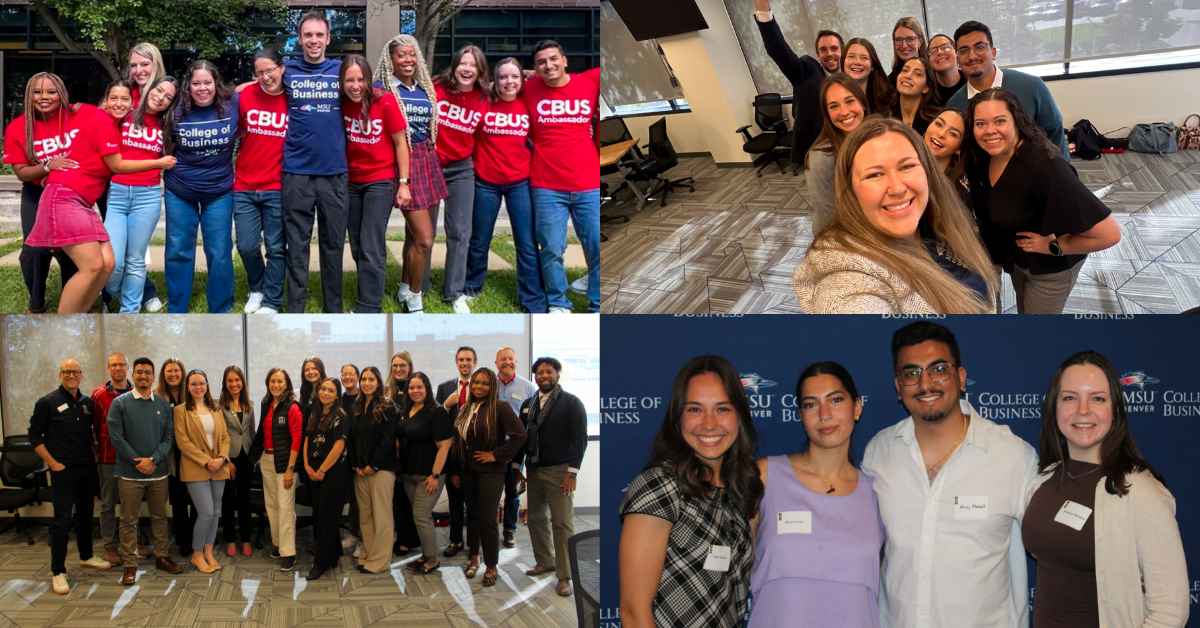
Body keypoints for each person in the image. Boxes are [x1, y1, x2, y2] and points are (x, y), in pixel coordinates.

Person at [862, 321, 1038, 628]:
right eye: (911, 373)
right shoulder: (879, 453)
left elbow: (1056, 550)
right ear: (898, 387)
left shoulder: (1014, 457)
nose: (926, 383)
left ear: (961, 377)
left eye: (939, 369)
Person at [1024, 351, 1189, 627]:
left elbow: (1170, 613)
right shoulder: (1044, 479)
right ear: (1054, 407)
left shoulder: (1140, 493)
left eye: (1097, 398)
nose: (1083, 410)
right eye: (1070, 398)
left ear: (1116, 409)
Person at [793, 117, 998, 314]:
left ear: (927, 170)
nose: (897, 188)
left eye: (907, 166)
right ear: (850, 190)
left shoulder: (937, 220)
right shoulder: (846, 285)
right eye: (875, 174)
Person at [619, 355, 761, 628]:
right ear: (678, 417)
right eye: (695, 409)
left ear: (739, 416)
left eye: (722, 409)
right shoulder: (659, 486)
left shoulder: (741, 491)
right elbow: (634, 613)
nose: (709, 424)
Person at [747, 362, 883, 628]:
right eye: (811, 404)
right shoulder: (764, 476)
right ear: (800, 414)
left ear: (856, 407)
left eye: (835, 400)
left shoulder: (877, 492)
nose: (824, 414)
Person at [965, 88, 1121, 314]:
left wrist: (1056, 246)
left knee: (1035, 336)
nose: (989, 131)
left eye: (1000, 121)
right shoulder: (987, 156)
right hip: (1021, 261)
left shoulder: (1045, 167)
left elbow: (1109, 234)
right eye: (980, 123)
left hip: (1050, 270)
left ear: (1017, 122)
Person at [26, 80, 175, 313]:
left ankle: (80, 321)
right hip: (65, 195)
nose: (118, 103)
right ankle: (61, 329)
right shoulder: (103, 122)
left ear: (132, 103)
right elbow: (116, 165)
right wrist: (160, 163)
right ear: (105, 100)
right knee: (94, 265)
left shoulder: (115, 126)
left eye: (124, 99)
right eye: (113, 98)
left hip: (81, 200)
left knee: (108, 263)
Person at [525, 40, 601, 313]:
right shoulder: (529, 89)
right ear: (535, 68)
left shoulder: (589, 83)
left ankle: (597, 303)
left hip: (588, 183)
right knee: (551, 248)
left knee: (596, 246)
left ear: (565, 60)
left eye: (553, 59)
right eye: (542, 62)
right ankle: (558, 302)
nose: (549, 65)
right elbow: (500, 86)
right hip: (546, 185)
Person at [2, 73, 88, 313]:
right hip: (36, 194)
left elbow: (110, 110)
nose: (44, 97)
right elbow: (21, 173)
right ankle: (36, 303)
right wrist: (49, 166)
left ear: (61, 94)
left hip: (72, 193)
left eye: (51, 91)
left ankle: (77, 302)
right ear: (29, 96)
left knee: (72, 249)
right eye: (37, 92)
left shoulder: (78, 116)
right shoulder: (18, 128)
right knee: (33, 251)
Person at [281, 11, 350, 313]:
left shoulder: (342, 70)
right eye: (307, 35)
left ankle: (332, 309)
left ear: (328, 38)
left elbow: (373, 94)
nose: (313, 40)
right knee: (296, 246)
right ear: (300, 38)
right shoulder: (287, 70)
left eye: (319, 35)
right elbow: (255, 87)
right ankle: (295, 309)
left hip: (334, 172)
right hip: (296, 172)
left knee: (333, 245)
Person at [465, 57, 545, 312]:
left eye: (514, 77)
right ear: (494, 80)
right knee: (479, 239)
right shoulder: (483, 103)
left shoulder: (529, 104)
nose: (508, 82)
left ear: (522, 80)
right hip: (485, 182)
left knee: (526, 241)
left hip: (520, 182)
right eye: (503, 77)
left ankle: (532, 297)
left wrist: (533, 73)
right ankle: (471, 287)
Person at [375, 34, 447, 313]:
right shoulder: (381, 90)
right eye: (401, 55)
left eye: (411, 54)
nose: (407, 60)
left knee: (412, 236)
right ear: (390, 60)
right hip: (403, 162)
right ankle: (416, 298)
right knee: (426, 239)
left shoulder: (423, 89)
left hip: (428, 159)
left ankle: (405, 286)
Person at [30, 359, 114, 594]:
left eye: (75, 372)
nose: (72, 375)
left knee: (86, 517)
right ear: (60, 375)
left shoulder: (87, 402)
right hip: (63, 471)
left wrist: (96, 455)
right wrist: (52, 463)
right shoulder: (47, 402)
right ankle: (58, 571)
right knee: (61, 522)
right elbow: (35, 437)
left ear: (81, 375)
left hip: (87, 469)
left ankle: (86, 556)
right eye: (67, 372)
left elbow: (91, 434)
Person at [164, 60, 238, 313]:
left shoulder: (233, 103)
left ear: (216, 84)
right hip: (179, 189)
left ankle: (221, 309)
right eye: (196, 83)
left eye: (208, 82)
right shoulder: (175, 108)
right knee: (178, 250)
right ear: (188, 85)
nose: (202, 88)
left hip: (219, 191)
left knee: (219, 251)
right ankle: (177, 309)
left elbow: (257, 88)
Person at [342, 53, 411, 313]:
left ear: (369, 80)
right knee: (358, 243)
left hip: (380, 182)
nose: (356, 85)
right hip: (351, 181)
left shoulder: (385, 102)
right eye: (350, 80)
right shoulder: (342, 104)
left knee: (371, 242)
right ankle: (369, 288)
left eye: (361, 79)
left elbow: (401, 143)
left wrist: (403, 182)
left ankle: (369, 305)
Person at [107, 357, 184, 585]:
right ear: (133, 376)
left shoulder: (162, 404)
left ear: (153, 376)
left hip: (158, 474)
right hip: (129, 474)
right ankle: (130, 564)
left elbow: (169, 438)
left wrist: (152, 460)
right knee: (129, 520)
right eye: (139, 372)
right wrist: (138, 461)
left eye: (147, 372)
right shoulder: (120, 404)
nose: (143, 376)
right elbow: (117, 438)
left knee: (160, 517)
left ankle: (162, 556)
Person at [105, 76, 178, 313]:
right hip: (117, 195)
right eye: (159, 90)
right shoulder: (124, 114)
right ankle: (116, 293)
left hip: (147, 197)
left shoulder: (166, 126)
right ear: (149, 89)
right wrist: (157, 162)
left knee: (135, 260)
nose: (161, 97)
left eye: (168, 97)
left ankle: (129, 313)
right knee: (112, 262)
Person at [946, 21, 1070, 160]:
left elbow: (1055, 132)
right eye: (963, 51)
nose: (972, 56)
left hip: (1037, 174)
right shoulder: (955, 104)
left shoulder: (1031, 86)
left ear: (993, 53)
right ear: (957, 59)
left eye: (979, 47)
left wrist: (1063, 173)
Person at [448, 368, 527, 586]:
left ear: (493, 387)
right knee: (472, 516)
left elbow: (520, 435)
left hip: (491, 472)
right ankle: (474, 558)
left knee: (488, 519)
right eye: (475, 383)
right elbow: (459, 442)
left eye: (484, 384)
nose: (479, 387)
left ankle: (491, 566)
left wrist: (496, 455)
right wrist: (455, 471)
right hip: (467, 471)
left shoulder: (500, 407)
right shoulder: (466, 408)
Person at [517, 357, 589, 596]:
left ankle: (565, 575)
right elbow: (520, 438)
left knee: (561, 523)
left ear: (557, 375)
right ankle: (545, 561)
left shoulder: (571, 403)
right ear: (535, 376)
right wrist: (518, 468)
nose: (544, 376)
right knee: (535, 518)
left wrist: (572, 473)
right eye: (539, 372)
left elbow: (580, 438)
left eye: (549, 372)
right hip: (534, 470)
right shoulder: (528, 404)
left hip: (561, 471)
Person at [433, 45, 490, 314]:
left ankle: (454, 292)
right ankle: (415, 289)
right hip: (430, 164)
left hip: (461, 168)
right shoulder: (436, 88)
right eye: (462, 63)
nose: (467, 69)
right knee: (423, 234)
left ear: (480, 71)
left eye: (473, 65)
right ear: (454, 65)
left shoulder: (485, 98)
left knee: (460, 232)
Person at [752, 0, 842, 169]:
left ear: (842, 52)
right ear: (818, 54)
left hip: (848, 146)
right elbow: (777, 48)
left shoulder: (853, 76)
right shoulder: (806, 71)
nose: (829, 54)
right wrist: (763, 9)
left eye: (834, 48)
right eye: (823, 50)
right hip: (818, 149)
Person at [234, 48, 289, 316]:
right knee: (246, 245)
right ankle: (257, 288)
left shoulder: (293, 97)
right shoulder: (246, 95)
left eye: (270, 70)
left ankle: (272, 300)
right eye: (260, 72)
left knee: (277, 247)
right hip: (244, 183)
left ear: (282, 68)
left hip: (277, 185)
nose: (266, 77)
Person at [118, 41, 167, 312]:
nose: (138, 70)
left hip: (145, 186)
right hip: (114, 181)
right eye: (134, 65)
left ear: (155, 64)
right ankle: (112, 292)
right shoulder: (125, 94)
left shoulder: (165, 96)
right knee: (116, 247)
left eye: (144, 64)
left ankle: (144, 292)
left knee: (136, 247)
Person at [174, 369, 230, 574]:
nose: (198, 387)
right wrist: (208, 461)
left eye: (201, 383)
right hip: (196, 468)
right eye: (193, 384)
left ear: (207, 384)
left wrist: (221, 459)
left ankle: (208, 552)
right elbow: (183, 443)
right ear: (187, 387)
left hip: (219, 467)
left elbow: (225, 438)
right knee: (205, 513)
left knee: (215, 512)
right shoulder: (180, 411)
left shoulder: (216, 408)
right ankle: (197, 555)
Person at [248, 367, 303, 572]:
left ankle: (289, 553)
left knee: (285, 507)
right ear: (268, 383)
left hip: (285, 463)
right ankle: (278, 543)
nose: (276, 385)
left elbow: (297, 438)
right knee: (271, 504)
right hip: (266, 459)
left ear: (287, 384)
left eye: (280, 381)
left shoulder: (292, 407)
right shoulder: (266, 404)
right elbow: (262, 431)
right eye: (272, 381)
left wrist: (290, 468)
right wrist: (254, 457)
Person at [397, 371, 453, 573]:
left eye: (419, 387)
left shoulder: (436, 412)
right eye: (411, 387)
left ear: (427, 388)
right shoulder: (407, 410)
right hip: (409, 473)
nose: (415, 391)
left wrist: (435, 475)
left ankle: (432, 558)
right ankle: (425, 554)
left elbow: (445, 446)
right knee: (418, 516)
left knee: (421, 516)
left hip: (429, 475)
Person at [91, 353, 141, 567]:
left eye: (121, 364)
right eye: (114, 365)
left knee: (132, 504)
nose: (118, 368)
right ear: (108, 368)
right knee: (108, 504)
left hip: (133, 458)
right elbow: (92, 427)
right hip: (108, 458)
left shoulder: (137, 392)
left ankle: (133, 542)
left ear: (128, 367)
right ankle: (110, 545)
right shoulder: (98, 395)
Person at [347, 366, 399, 573]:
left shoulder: (387, 405)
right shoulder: (357, 405)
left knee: (382, 516)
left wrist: (372, 466)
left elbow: (388, 441)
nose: (367, 383)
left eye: (372, 379)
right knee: (366, 516)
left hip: (381, 469)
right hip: (360, 470)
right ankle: (368, 553)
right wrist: (357, 466)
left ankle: (380, 560)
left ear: (379, 382)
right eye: (364, 379)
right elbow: (351, 439)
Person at [302, 378, 350, 580]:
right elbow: (307, 439)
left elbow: (338, 447)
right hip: (313, 470)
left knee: (327, 518)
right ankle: (334, 553)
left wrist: (321, 470)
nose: (325, 393)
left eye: (331, 390)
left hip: (332, 472)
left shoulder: (340, 416)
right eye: (323, 389)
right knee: (320, 515)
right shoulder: (314, 413)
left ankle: (320, 563)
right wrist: (306, 464)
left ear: (337, 395)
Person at [805, 74, 866, 230]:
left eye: (850, 101)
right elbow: (828, 216)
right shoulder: (821, 157)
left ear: (863, 102)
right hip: (839, 235)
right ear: (827, 114)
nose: (844, 112)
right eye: (834, 106)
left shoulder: (875, 139)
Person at [494, 347, 538, 548]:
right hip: (492, 449)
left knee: (512, 492)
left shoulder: (528, 387)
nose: (507, 362)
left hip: (515, 450)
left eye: (510, 359)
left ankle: (510, 530)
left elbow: (534, 420)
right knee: (490, 492)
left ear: (516, 362)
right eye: (503, 359)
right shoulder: (488, 384)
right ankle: (488, 531)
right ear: (497, 363)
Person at [437, 346, 478, 557]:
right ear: (456, 363)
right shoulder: (444, 388)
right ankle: (455, 541)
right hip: (452, 454)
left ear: (475, 363)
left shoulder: (482, 387)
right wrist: (445, 405)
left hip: (475, 454)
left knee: (474, 502)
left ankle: (474, 544)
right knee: (454, 501)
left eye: (469, 360)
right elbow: (436, 421)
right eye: (461, 360)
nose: (465, 363)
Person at [156, 358, 195, 556]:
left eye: (176, 371)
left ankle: (198, 538)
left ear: (182, 373)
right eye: (169, 371)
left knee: (197, 498)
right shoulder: (157, 396)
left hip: (192, 452)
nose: (173, 374)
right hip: (170, 453)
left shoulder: (191, 394)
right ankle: (183, 540)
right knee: (179, 500)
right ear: (163, 374)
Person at [387, 350, 423, 555]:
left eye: (403, 365)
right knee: (398, 500)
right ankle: (405, 537)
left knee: (411, 501)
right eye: (395, 365)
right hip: (393, 453)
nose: (398, 369)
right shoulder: (387, 391)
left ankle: (409, 539)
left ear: (410, 367)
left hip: (412, 453)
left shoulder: (416, 389)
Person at [219, 365, 256, 558]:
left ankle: (246, 539)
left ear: (242, 381)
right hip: (228, 459)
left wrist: (254, 458)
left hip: (247, 458)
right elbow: (218, 436)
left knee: (244, 500)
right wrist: (225, 460)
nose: (234, 384)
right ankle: (230, 540)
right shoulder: (218, 405)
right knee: (228, 500)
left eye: (237, 380)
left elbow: (251, 432)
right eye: (230, 380)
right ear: (225, 383)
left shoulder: (249, 403)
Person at [923, 108, 971, 208]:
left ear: (959, 149)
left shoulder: (959, 193)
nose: (941, 134)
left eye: (953, 134)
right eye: (939, 124)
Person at [339, 363, 363, 555]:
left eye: (351, 374)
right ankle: (353, 534)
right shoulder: (338, 400)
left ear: (358, 377)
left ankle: (364, 539)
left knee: (363, 500)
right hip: (342, 458)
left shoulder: (363, 399)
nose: (347, 377)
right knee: (351, 499)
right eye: (344, 374)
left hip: (360, 458)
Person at [840, 39, 894, 116]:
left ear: (872, 66)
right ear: (843, 62)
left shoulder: (887, 94)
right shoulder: (833, 94)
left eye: (864, 58)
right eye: (851, 56)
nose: (857, 62)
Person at [891, 57, 940, 136]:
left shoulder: (936, 119)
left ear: (926, 87)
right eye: (905, 70)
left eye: (918, 74)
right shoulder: (883, 114)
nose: (908, 76)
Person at [928, 34, 967, 106]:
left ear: (956, 52)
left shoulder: (972, 82)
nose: (940, 52)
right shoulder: (927, 92)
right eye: (933, 51)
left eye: (945, 47)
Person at [888, 18, 929, 86]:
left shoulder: (936, 72)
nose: (904, 45)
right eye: (898, 40)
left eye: (910, 39)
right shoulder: (891, 81)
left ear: (920, 42)